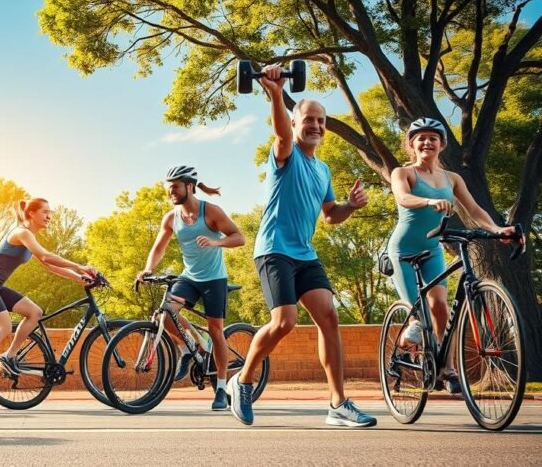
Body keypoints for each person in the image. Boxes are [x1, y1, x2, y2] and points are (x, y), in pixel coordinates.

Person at [228, 65, 376, 428]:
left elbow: (329, 215)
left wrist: (351, 207)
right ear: (296, 124)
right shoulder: (285, 154)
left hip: (305, 254)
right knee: (285, 322)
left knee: (329, 317)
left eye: (321, 120)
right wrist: (276, 94)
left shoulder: (323, 170)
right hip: (274, 250)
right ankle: (241, 381)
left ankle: (338, 404)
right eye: (309, 119)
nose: (316, 125)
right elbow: (280, 135)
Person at [387, 117, 522, 394]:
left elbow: (474, 210)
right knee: (418, 314)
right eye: (420, 138)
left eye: (433, 138)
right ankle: (410, 330)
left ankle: (447, 369)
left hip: (432, 249)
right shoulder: (404, 173)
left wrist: (497, 229)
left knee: (441, 308)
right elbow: (402, 198)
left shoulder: (452, 178)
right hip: (403, 250)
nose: (427, 142)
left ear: (441, 145)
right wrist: (428, 200)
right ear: (411, 144)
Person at [138, 165, 245, 411]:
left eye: (175, 186)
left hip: (214, 279)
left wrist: (216, 241)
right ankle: (188, 349)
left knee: (215, 330)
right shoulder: (171, 218)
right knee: (166, 312)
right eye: (169, 187)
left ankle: (220, 387)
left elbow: (239, 237)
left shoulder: (211, 212)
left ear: (189, 186)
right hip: (190, 277)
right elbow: (159, 248)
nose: (171, 191)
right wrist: (147, 269)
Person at [0, 198, 96, 396]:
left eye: (50, 212)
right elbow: (46, 256)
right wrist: (80, 266)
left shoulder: (29, 238)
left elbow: (51, 266)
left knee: (34, 312)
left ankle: (9, 356)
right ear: (31, 214)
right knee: (3, 326)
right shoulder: (21, 232)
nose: (49, 216)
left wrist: (80, 278)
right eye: (45, 212)